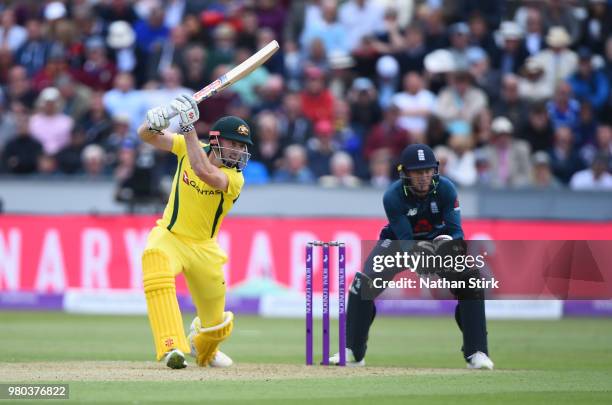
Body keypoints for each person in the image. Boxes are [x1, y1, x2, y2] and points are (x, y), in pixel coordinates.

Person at [329, 144, 493, 369]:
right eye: (417, 172)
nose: (424, 177)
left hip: (438, 244)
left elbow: (457, 232)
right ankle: (353, 351)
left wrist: (448, 245)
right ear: (405, 172)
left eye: (427, 171)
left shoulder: (446, 189)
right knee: (362, 283)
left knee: (470, 282)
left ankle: (477, 352)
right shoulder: (392, 196)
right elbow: (406, 240)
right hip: (399, 244)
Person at [138, 94, 253, 369]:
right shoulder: (184, 147)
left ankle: (203, 348)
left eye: (242, 146)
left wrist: (188, 127)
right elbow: (147, 137)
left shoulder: (235, 178)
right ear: (215, 140)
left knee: (217, 325)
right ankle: (171, 348)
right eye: (233, 143)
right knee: (155, 261)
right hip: (171, 236)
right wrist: (155, 121)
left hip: (205, 249)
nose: (238, 150)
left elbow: (202, 171)